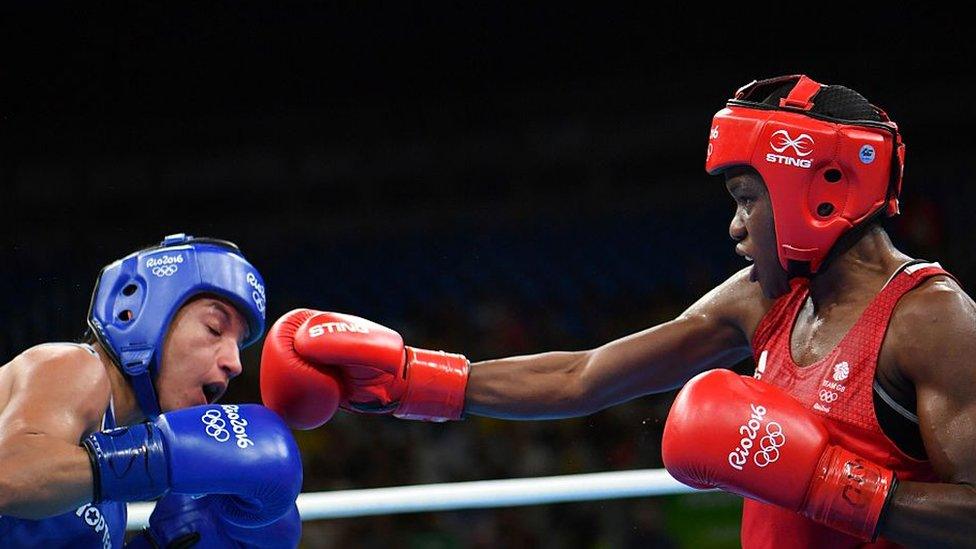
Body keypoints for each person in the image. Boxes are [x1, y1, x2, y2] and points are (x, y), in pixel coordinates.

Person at [260, 75, 976, 547]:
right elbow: (584, 376)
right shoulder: (765, 299)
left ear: (813, 190)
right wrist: (414, 380)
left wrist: (835, 487)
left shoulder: (931, 320)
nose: (733, 227)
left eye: (746, 199)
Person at [0, 233, 303, 548]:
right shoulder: (74, 366)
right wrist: (156, 458)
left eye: (239, 345)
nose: (235, 363)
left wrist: (159, 543)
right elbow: (8, 475)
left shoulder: (111, 505)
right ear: (138, 312)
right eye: (214, 328)